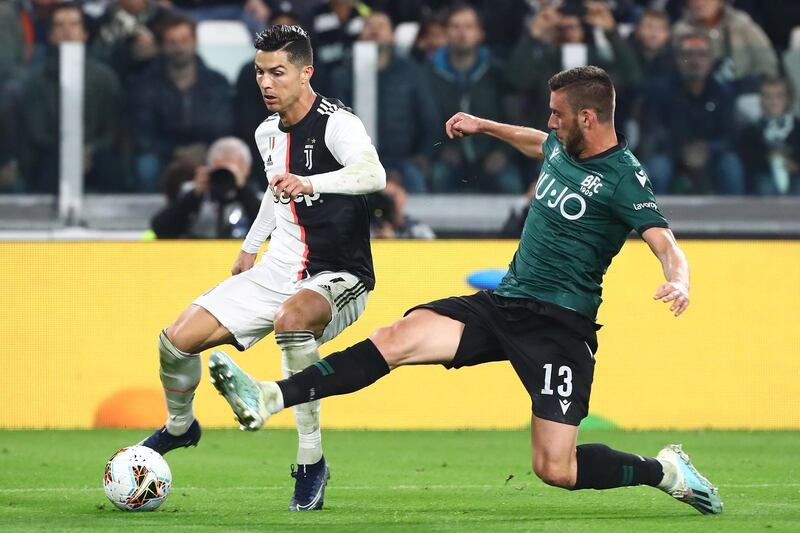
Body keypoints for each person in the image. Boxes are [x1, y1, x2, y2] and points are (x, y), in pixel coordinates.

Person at [207, 65, 723, 516]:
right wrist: (483, 127)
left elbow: (663, 239)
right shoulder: (562, 146)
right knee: (398, 338)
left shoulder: (622, 178)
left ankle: (666, 472)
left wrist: (677, 277)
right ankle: (270, 395)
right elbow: (534, 142)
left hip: (560, 328)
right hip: (505, 303)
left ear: (587, 119)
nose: (549, 121)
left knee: (556, 468)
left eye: (556, 113)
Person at [135, 24, 387, 512]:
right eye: (259, 73)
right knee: (174, 341)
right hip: (277, 271)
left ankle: (311, 461)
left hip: (339, 275)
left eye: (278, 72)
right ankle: (181, 428)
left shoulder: (338, 123)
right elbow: (276, 193)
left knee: (292, 321)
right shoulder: (266, 131)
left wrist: (312, 184)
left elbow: (372, 174)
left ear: (305, 72)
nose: (266, 83)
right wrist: (250, 248)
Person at [330, 9, 441, 193]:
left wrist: (423, 157)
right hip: (355, 163)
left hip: (403, 162)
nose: (374, 30)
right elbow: (334, 125)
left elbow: (430, 120)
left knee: (417, 184)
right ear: (359, 37)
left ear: (392, 37)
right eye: (368, 26)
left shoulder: (412, 73)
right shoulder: (342, 76)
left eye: (380, 26)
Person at [18, 1, 124, 193]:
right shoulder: (36, 81)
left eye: (74, 25)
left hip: (95, 153)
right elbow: (36, 133)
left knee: (111, 165)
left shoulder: (105, 78)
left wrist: (88, 150)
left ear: (85, 33)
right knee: (48, 165)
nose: (67, 31)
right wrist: (70, 153)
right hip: (51, 154)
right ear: (50, 36)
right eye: (59, 25)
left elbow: (112, 129)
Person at [130, 14, 232, 192]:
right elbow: (143, 132)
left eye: (184, 40)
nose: (179, 47)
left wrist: (205, 149)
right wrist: (174, 152)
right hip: (164, 154)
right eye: (172, 41)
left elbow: (225, 125)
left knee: (231, 160)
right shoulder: (146, 84)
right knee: (146, 165)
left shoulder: (217, 82)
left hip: (207, 151)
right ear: (162, 46)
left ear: (195, 41)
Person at [641, 31, 744, 194]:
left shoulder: (723, 93)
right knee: (658, 168)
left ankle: (737, 218)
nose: (695, 61)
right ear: (677, 60)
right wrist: (682, 149)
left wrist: (708, 149)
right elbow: (653, 130)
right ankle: (651, 218)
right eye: (688, 54)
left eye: (702, 55)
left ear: (711, 61)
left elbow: (730, 135)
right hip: (671, 154)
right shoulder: (660, 91)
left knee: (730, 164)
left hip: (710, 156)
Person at [150, 136, 262, 238]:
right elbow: (161, 229)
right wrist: (194, 196)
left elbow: (272, 232)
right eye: (220, 171)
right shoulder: (192, 194)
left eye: (230, 172)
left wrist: (244, 191)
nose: (224, 176)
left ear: (247, 170)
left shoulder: (259, 199)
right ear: (209, 168)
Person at [737, 77, 800, 195]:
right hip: (765, 175)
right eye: (768, 96)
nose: (773, 101)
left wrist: (795, 165)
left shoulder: (797, 126)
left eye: (779, 96)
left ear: (787, 99)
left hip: (795, 174)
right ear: (761, 100)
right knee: (765, 187)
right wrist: (768, 159)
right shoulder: (751, 130)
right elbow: (747, 158)